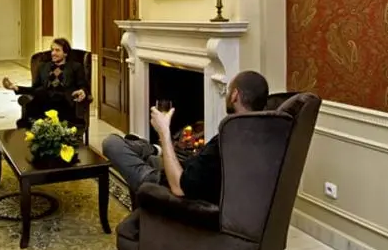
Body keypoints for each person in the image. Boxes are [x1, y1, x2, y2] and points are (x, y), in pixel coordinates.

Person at [102, 70, 269, 205]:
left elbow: (178, 188)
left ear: (234, 95)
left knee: (112, 143)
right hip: (185, 169)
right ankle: (153, 149)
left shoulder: (228, 139)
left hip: (166, 186)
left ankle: (151, 148)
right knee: (143, 152)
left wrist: (164, 133)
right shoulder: (254, 134)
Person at [2, 38, 88, 128]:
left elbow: (83, 85)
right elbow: (35, 88)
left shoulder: (75, 67)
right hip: (44, 100)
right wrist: (16, 88)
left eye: (57, 50)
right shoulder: (43, 67)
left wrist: (82, 91)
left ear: (65, 53)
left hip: (64, 102)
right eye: (52, 50)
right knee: (29, 116)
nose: (53, 53)